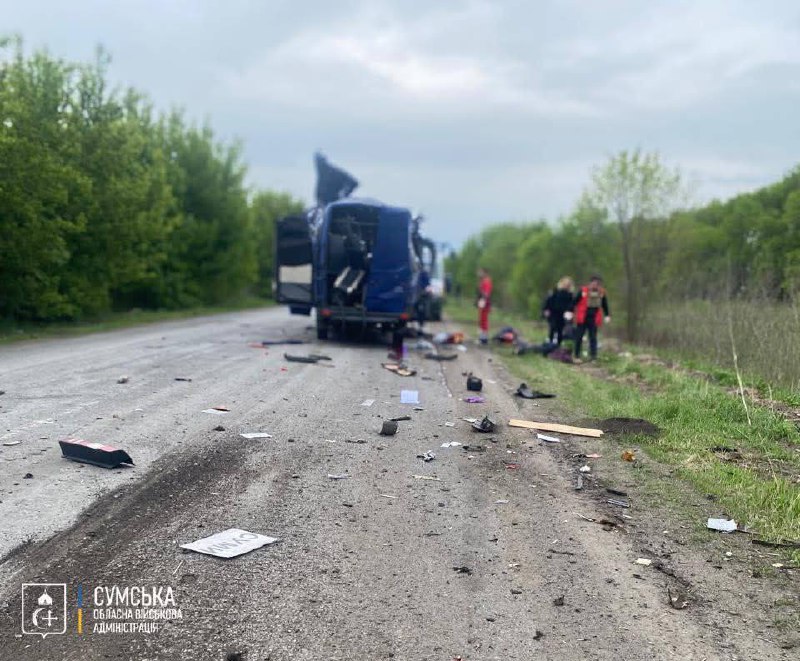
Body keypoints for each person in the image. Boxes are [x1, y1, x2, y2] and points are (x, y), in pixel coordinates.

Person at [573, 275, 610, 361]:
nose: (595, 285)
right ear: (590, 283)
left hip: (594, 318)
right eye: (594, 283)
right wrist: (569, 311)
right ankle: (577, 355)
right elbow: (575, 301)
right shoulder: (583, 291)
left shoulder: (601, 293)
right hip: (582, 317)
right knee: (579, 336)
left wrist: (607, 315)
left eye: (597, 284)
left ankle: (593, 356)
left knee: (593, 337)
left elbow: (604, 304)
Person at [542, 277, 575, 346]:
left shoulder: (570, 295)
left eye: (568, 284)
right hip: (554, 313)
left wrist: (571, 313)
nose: (566, 286)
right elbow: (548, 301)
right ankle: (550, 343)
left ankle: (557, 345)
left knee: (560, 330)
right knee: (553, 328)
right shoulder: (555, 291)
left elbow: (572, 306)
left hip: (563, 314)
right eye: (565, 284)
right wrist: (545, 309)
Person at [476, 267, 493, 345]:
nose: (479, 274)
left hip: (484, 302)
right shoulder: (483, 281)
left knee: (484, 320)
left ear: (485, 273)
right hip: (482, 301)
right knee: (481, 320)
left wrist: (483, 301)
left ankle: (484, 339)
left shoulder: (486, 281)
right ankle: (482, 337)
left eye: (481, 272)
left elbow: (486, 293)